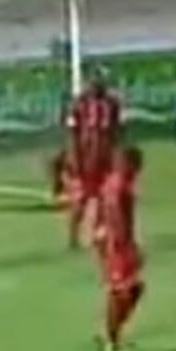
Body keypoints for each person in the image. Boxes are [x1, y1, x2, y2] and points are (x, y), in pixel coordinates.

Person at [97, 146, 145, 351]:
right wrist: (127, 246)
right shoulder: (121, 187)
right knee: (122, 291)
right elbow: (118, 219)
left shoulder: (112, 183)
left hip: (114, 242)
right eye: (137, 166)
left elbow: (104, 212)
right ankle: (111, 338)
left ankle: (114, 334)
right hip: (117, 245)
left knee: (131, 289)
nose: (138, 171)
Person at [67, 71, 123, 249]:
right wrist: (74, 156)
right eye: (94, 81)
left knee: (105, 196)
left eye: (100, 81)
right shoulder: (80, 104)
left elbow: (117, 130)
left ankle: (100, 233)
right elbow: (72, 131)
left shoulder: (112, 103)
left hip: (105, 156)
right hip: (86, 158)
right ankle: (74, 236)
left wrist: (117, 153)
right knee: (82, 198)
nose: (97, 85)